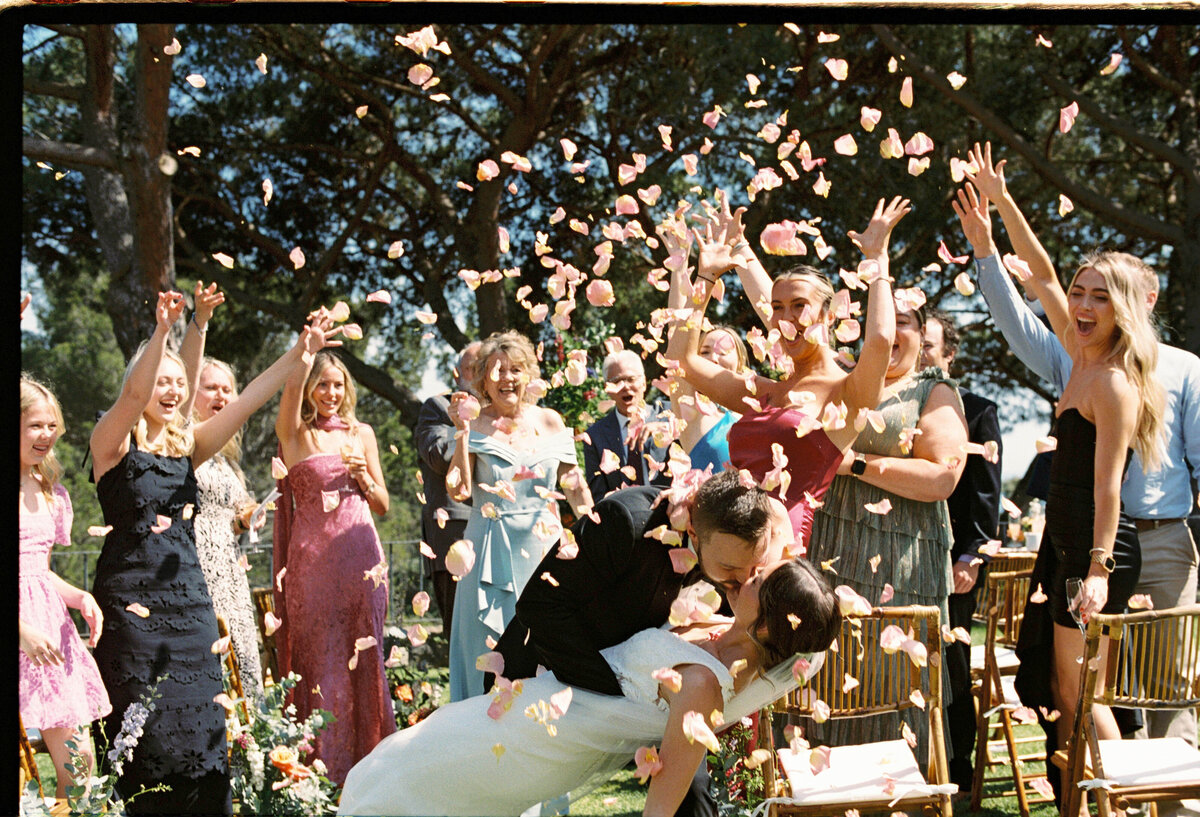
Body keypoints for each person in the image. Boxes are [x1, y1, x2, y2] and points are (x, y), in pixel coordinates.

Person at [964, 142, 1199, 805]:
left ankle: (1132, 794)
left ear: (1125, 307)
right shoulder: (1079, 354)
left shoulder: (1116, 383)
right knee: (1066, 698)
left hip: (1101, 550)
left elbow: (1106, 490)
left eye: (1100, 295)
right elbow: (1037, 270)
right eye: (1079, 291)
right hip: (1065, 544)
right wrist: (999, 209)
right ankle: (1093, 800)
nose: (1082, 302)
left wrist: (1095, 568)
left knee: (1089, 696)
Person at [337, 557, 842, 817]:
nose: (748, 571)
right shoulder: (713, 625)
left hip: (532, 747)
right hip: (520, 715)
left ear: (774, 627)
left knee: (392, 787)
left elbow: (661, 808)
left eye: (759, 578)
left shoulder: (703, 690)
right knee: (391, 769)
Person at [89, 292, 340, 814]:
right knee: (148, 737)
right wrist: (163, 334)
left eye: (180, 383)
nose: (173, 389)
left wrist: (301, 354)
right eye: (164, 379)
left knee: (203, 737)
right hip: (132, 611)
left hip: (192, 611)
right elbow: (133, 397)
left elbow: (250, 398)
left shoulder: (189, 446)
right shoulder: (110, 442)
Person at [669, 194, 908, 550]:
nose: (785, 319)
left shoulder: (846, 392)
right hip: (726, 541)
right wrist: (706, 276)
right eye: (777, 308)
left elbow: (879, 340)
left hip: (778, 549)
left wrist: (877, 262)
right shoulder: (764, 392)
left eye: (800, 306)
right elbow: (682, 363)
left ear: (829, 315)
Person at [273, 331, 395, 785]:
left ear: (348, 390)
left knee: (365, 658)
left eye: (337, 385)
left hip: (362, 562)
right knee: (319, 660)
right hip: (312, 566)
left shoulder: (362, 433)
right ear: (309, 390)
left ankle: (373, 767)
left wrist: (364, 478)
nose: (330, 393)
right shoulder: (296, 433)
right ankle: (320, 771)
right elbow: (287, 392)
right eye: (322, 385)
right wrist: (306, 352)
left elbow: (382, 504)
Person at [445, 330, 592, 701]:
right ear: (483, 380)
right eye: (497, 371)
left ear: (528, 375)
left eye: (515, 370)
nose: (507, 378)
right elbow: (459, 491)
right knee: (486, 650)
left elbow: (574, 486)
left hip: (543, 549)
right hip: (486, 552)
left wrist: (592, 535)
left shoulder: (550, 422)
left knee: (545, 646)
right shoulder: (473, 426)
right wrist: (461, 434)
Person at [922, 308, 1004, 791]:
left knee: (951, 667)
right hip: (903, 553)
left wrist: (971, 555)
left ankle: (958, 768)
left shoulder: (977, 410)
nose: (922, 356)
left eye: (930, 347)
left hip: (957, 562)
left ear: (949, 355)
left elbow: (986, 494)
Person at [20, 376, 111, 798]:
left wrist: (80, 596)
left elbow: (38, 571)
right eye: (36, 425)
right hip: (23, 632)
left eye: (52, 426)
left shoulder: (48, 490)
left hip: (50, 637)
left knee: (80, 768)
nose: (47, 436)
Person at [180, 283, 265, 705]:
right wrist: (200, 320)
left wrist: (247, 515)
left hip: (229, 568)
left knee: (243, 656)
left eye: (227, 389)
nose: (222, 396)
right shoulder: (186, 444)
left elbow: (231, 512)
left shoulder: (229, 460)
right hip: (195, 566)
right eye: (211, 388)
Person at [414, 341, 481, 640]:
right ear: (457, 373)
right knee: (462, 637)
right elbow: (441, 458)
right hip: (456, 538)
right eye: (472, 367)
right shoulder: (437, 408)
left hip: (499, 535)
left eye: (486, 367)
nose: (481, 374)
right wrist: (468, 427)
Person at [582, 349, 672, 498]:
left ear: (643, 382)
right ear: (607, 389)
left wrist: (666, 428)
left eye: (630, 379)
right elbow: (599, 497)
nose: (624, 386)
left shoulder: (669, 415)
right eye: (616, 381)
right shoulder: (595, 436)